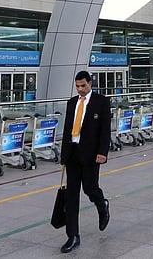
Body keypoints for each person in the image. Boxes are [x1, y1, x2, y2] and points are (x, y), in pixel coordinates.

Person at [59, 70, 111, 253]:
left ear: (90, 83)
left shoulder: (101, 102)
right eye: (77, 86)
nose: (80, 89)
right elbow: (67, 128)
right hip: (72, 153)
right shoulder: (72, 103)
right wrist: (64, 154)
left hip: (91, 154)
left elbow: (105, 129)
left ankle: (102, 204)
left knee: (90, 188)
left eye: (83, 85)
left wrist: (102, 152)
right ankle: (73, 236)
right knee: (71, 196)